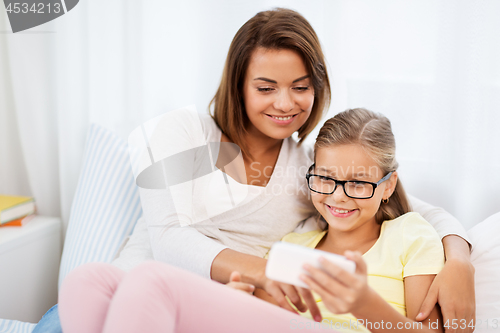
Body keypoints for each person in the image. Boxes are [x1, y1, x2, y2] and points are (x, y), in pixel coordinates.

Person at [35, 7, 474, 332]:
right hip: (124, 298)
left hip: (192, 309)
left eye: (300, 88)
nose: (285, 104)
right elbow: (169, 239)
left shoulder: (312, 174)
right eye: (266, 88)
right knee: (87, 279)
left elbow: (400, 201)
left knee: (147, 285)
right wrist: (267, 276)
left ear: (317, 88)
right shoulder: (186, 132)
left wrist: (459, 258)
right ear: (239, 86)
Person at [58, 108, 446, 333]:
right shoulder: (294, 247)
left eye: (359, 183)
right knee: (88, 281)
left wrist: (363, 303)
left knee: (151, 280)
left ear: (387, 184)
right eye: (325, 179)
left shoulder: (410, 236)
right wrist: (233, 301)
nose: (338, 196)